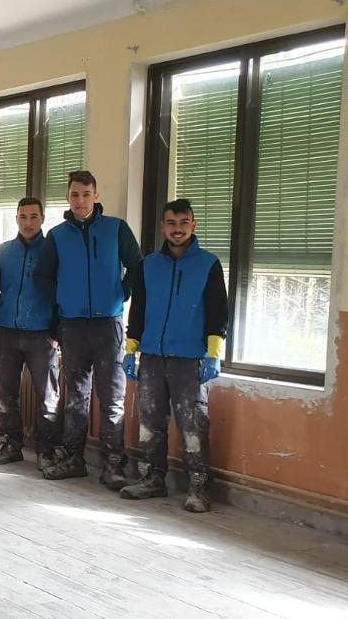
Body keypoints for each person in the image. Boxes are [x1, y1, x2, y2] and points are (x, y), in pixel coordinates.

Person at [35, 170, 142, 489]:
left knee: (112, 399)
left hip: (109, 326)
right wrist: (64, 299)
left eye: (85, 194)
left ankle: (113, 464)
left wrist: (121, 293)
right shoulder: (57, 235)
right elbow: (43, 277)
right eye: (74, 195)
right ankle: (73, 458)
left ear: (96, 196)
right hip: (73, 327)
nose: (80, 200)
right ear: (68, 198)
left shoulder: (116, 229)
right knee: (76, 398)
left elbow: (137, 266)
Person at [120, 199, 228, 512]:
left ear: (193, 225)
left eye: (183, 223)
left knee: (193, 423)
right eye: (171, 223)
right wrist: (131, 349)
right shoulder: (148, 265)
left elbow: (217, 312)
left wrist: (212, 354)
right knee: (150, 421)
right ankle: (154, 478)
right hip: (152, 355)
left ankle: (198, 486)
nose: (177, 229)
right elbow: (137, 310)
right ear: (163, 226)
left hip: (190, 357)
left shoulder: (207, 264)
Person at [0, 197, 62, 471]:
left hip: (43, 337)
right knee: (6, 394)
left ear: (42, 219)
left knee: (48, 397)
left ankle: (47, 451)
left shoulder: (54, 252)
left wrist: (55, 333)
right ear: (16, 218)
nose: (28, 222)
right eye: (23, 217)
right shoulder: (2, 252)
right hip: (6, 334)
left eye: (33, 217)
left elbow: (61, 295)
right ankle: (10, 444)